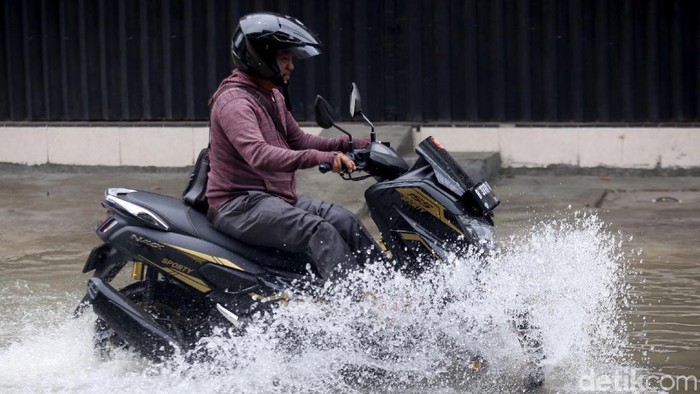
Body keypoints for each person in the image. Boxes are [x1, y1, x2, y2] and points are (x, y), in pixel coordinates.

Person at [205, 12, 381, 281]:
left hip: (274, 198)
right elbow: (259, 154)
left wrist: (352, 144)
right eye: (284, 59)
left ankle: (390, 292)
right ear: (260, 59)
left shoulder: (271, 93)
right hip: (239, 205)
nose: (291, 66)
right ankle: (356, 308)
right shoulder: (235, 102)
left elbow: (298, 140)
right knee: (318, 231)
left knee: (345, 221)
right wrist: (322, 157)